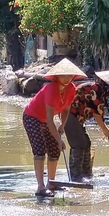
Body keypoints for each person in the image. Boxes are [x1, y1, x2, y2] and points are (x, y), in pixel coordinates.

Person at [22, 58, 87, 197]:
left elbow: (65, 110)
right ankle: (40, 187)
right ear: (57, 76)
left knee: (54, 151)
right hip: (32, 117)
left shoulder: (71, 89)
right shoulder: (51, 89)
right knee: (40, 150)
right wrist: (59, 139)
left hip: (46, 120)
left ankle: (51, 183)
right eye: (63, 75)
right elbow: (51, 120)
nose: (67, 78)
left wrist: (62, 126)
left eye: (70, 75)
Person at [65, 69, 109, 182]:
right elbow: (97, 114)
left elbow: (97, 112)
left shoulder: (99, 90)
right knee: (79, 145)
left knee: (86, 143)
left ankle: (86, 174)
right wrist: (106, 131)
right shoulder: (97, 89)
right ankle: (76, 177)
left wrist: (106, 130)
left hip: (77, 118)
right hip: (70, 116)